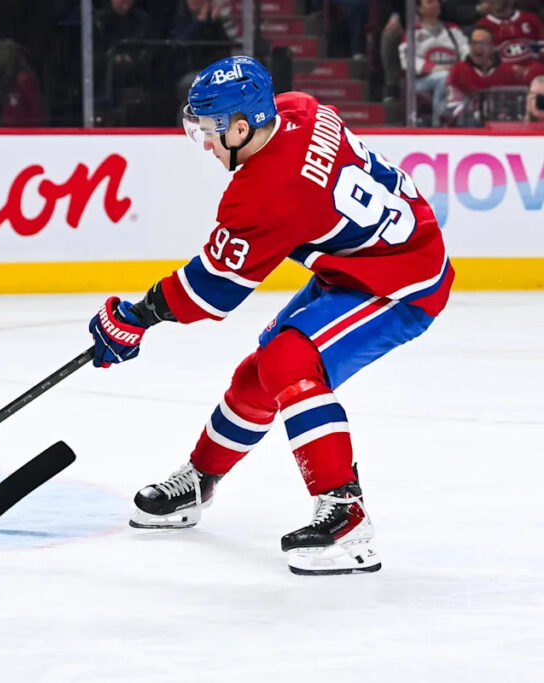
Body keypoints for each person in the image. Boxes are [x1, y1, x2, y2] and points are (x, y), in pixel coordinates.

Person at [88, 56, 453, 575]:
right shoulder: (298, 110)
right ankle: (198, 481)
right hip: (364, 264)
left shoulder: (267, 193)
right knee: (258, 374)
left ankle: (346, 519)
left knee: (288, 360)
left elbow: (210, 293)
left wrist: (136, 315)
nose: (207, 144)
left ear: (243, 126)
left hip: (401, 282)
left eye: (211, 132)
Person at [399, 0, 469, 126]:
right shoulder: (413, 33)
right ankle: (440, 125)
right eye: (430, 2)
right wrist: (435, 68)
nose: (436, 4)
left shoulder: (453, 30)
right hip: (421, 81)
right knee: (444, 78)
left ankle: (464, 121)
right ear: (419, 9)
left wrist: (459, 69)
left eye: (437, 2)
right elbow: (407, 60)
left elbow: (466, 51)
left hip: (453, 75)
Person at [447, 27, 522, 123]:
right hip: (469, 123)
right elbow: (453, 106)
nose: (478, 47)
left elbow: (516, 104)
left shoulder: (508, 71)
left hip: (502, 123)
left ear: (492, 46)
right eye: (474, 43)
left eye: (483, 43)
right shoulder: (458, 70)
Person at [475, 0, 543, 66]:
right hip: (503, 74)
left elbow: (542, 47)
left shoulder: (531, 18)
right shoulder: (482, 26)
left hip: (535, 71)